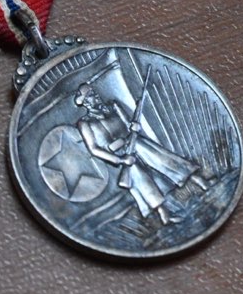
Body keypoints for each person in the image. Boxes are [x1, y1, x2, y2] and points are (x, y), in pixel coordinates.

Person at [74, 82, 207, 225]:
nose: (95, 95)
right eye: (90, 95)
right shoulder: (85, 123)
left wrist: (134, 126)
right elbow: (94, 149)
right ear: (85, 102)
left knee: (165, 160)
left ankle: (201, 182)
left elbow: (129, 124)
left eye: (94, 92)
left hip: (135, 141)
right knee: (141, 181)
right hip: (121, 155)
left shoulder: (113, 106)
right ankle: (164, 215)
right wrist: (119, 160)